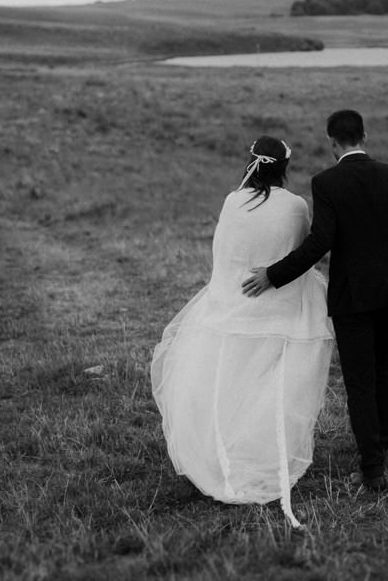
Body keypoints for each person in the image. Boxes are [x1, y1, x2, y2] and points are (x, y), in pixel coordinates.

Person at [242, 109, 388, 492]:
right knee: (386, 370)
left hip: (352, 297)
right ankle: (380, 447)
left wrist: (273, 275)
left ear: (332, 143)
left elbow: (320, 243)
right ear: (365, 136)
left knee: (360, 382)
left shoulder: (327, 182)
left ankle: (372, 469)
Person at [150, 136, 333, 528]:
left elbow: (224, 255)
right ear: (285, 167)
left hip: (232, 309)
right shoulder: (296, 206)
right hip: (281, 311)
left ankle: (229, 455)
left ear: (251, 163)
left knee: (231, 383)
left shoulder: (233, 202)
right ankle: (260, 456)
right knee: (271, 387)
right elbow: (300, 254)